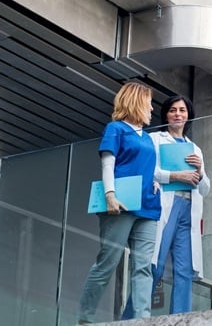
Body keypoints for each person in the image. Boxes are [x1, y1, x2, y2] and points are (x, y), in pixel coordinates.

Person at [78, 82, 160, 323]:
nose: (152, 109)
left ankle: (142, 319)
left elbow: (146, 166)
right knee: (108, 261)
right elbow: (108, 163)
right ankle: (85, 318)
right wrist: (110, 194)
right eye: (149, 103)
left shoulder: (146, 137)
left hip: (148, 206)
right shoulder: (115, 129)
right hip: (121, 203)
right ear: (136, 102)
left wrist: (154, 181)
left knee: (144, 266)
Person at [122, 94, 209, 317]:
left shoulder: (195, 149)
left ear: (189, 115)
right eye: (173, 110)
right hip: (165, 205)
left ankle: (180, 319)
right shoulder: (155, 139)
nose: (178, 114)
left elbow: (205, 188)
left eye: (182, 110)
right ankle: (132, 317)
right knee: (155, 265)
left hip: (188, 209)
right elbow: (148, 171)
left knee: (184, 270)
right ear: (166, 115)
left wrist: (199, 171)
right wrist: (176, 175)